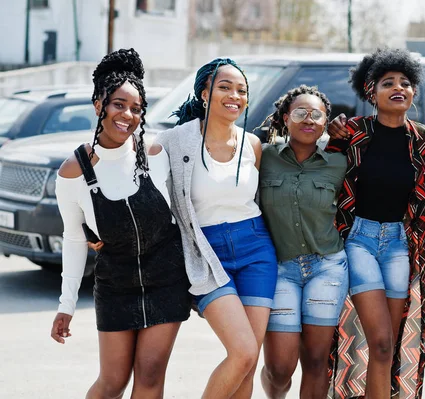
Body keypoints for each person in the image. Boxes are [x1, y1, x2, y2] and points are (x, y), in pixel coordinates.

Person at [50, 48, 191, 398]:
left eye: (136, 108)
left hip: (166, 280)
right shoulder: (73, 172)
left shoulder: (157, 155)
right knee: (112, 382)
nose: (128, 115)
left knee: (149, 375)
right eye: (118, 104)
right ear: (99, 104)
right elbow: (72, 238)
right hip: (115, 286)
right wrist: (66, 304)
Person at [156, 58, 278, 399]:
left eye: (242, 90)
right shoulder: (173, 141)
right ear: (205, 93)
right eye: (225, 87)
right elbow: (133, 174)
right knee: (243, 352)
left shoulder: (252, 144)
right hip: (206, 253)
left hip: (256, 249)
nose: (234, 96)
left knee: (248, 363)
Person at [325, 48, 425, 398]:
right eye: (387, 82)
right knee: (377, 340)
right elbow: (321, 172)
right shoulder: (353, 134)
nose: (398, 88)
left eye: (406, 83)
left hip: (399, 245)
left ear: (414, 92)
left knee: (388, 347)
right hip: (359, 239)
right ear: (369, 91)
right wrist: (331, 133)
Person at [257, 85, 349, 398]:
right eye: (299, 113)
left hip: (327, 267)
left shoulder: (339, 163)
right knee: (280, 368)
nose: (307, 120)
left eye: (316, 114)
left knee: (315, 361)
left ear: (326, 121)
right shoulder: (263, 157)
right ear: (286, 118)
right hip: (279, 269)